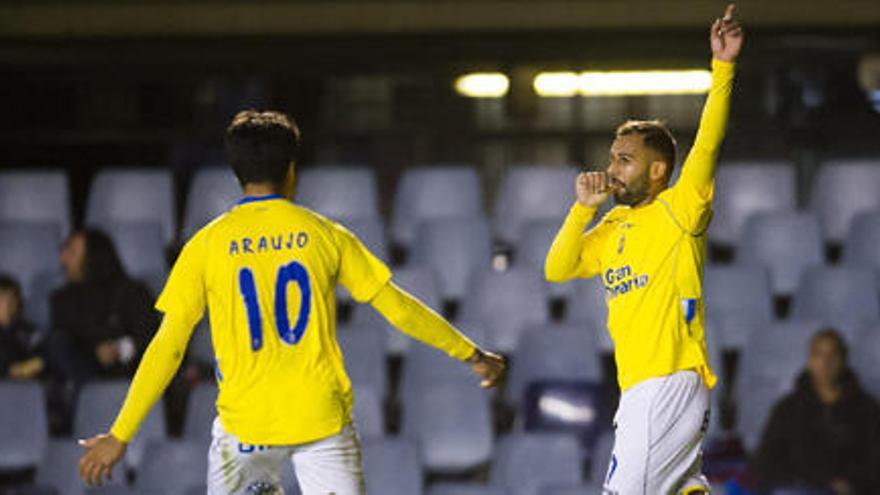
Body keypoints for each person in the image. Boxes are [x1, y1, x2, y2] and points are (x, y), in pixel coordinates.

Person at [78, 110, 506, 494]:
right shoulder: (325, 235)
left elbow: (168, 347)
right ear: (291, 171)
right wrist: (471, 353)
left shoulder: (205, 245)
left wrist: (121, 433)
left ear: (237, 173)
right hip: (320, 422)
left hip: (245, 428)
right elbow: (399, 309)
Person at [544, 4, 743, 494]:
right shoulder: (612, 223)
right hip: (639, 389)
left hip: (668, 382)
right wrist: (581, 210)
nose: (613, 168)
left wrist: (723, 68)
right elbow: (557, 269)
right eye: (613, 157)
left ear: (657, 171)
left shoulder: (680, 209)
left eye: (626, 160)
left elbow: (709, 143)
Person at [748, 329, 880, 495]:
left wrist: (850, 483)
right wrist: (806, 482)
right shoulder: (787, 409)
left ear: (843, 360)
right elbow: (765, 460)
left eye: (833, 355)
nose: (826, 363)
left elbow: (875, 460)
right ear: (810, 360)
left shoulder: (867, 409)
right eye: (819, 355)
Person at [49, 229, 159, 381]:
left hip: (131, 378)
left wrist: (120, 349)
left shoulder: (133, 293)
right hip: (80, 381)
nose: (63, 258)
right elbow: (65, 347)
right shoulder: (61, 300)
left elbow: (151, 337)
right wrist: (93, 355)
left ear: (92, 258)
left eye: (72, 252)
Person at [0, 275, 45, 380]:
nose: (7, 305)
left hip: (27, 387)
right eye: (1, 299)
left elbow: (42, 360)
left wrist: (22, 369)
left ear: (18, 301)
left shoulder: (29, 331)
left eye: (11, 299)